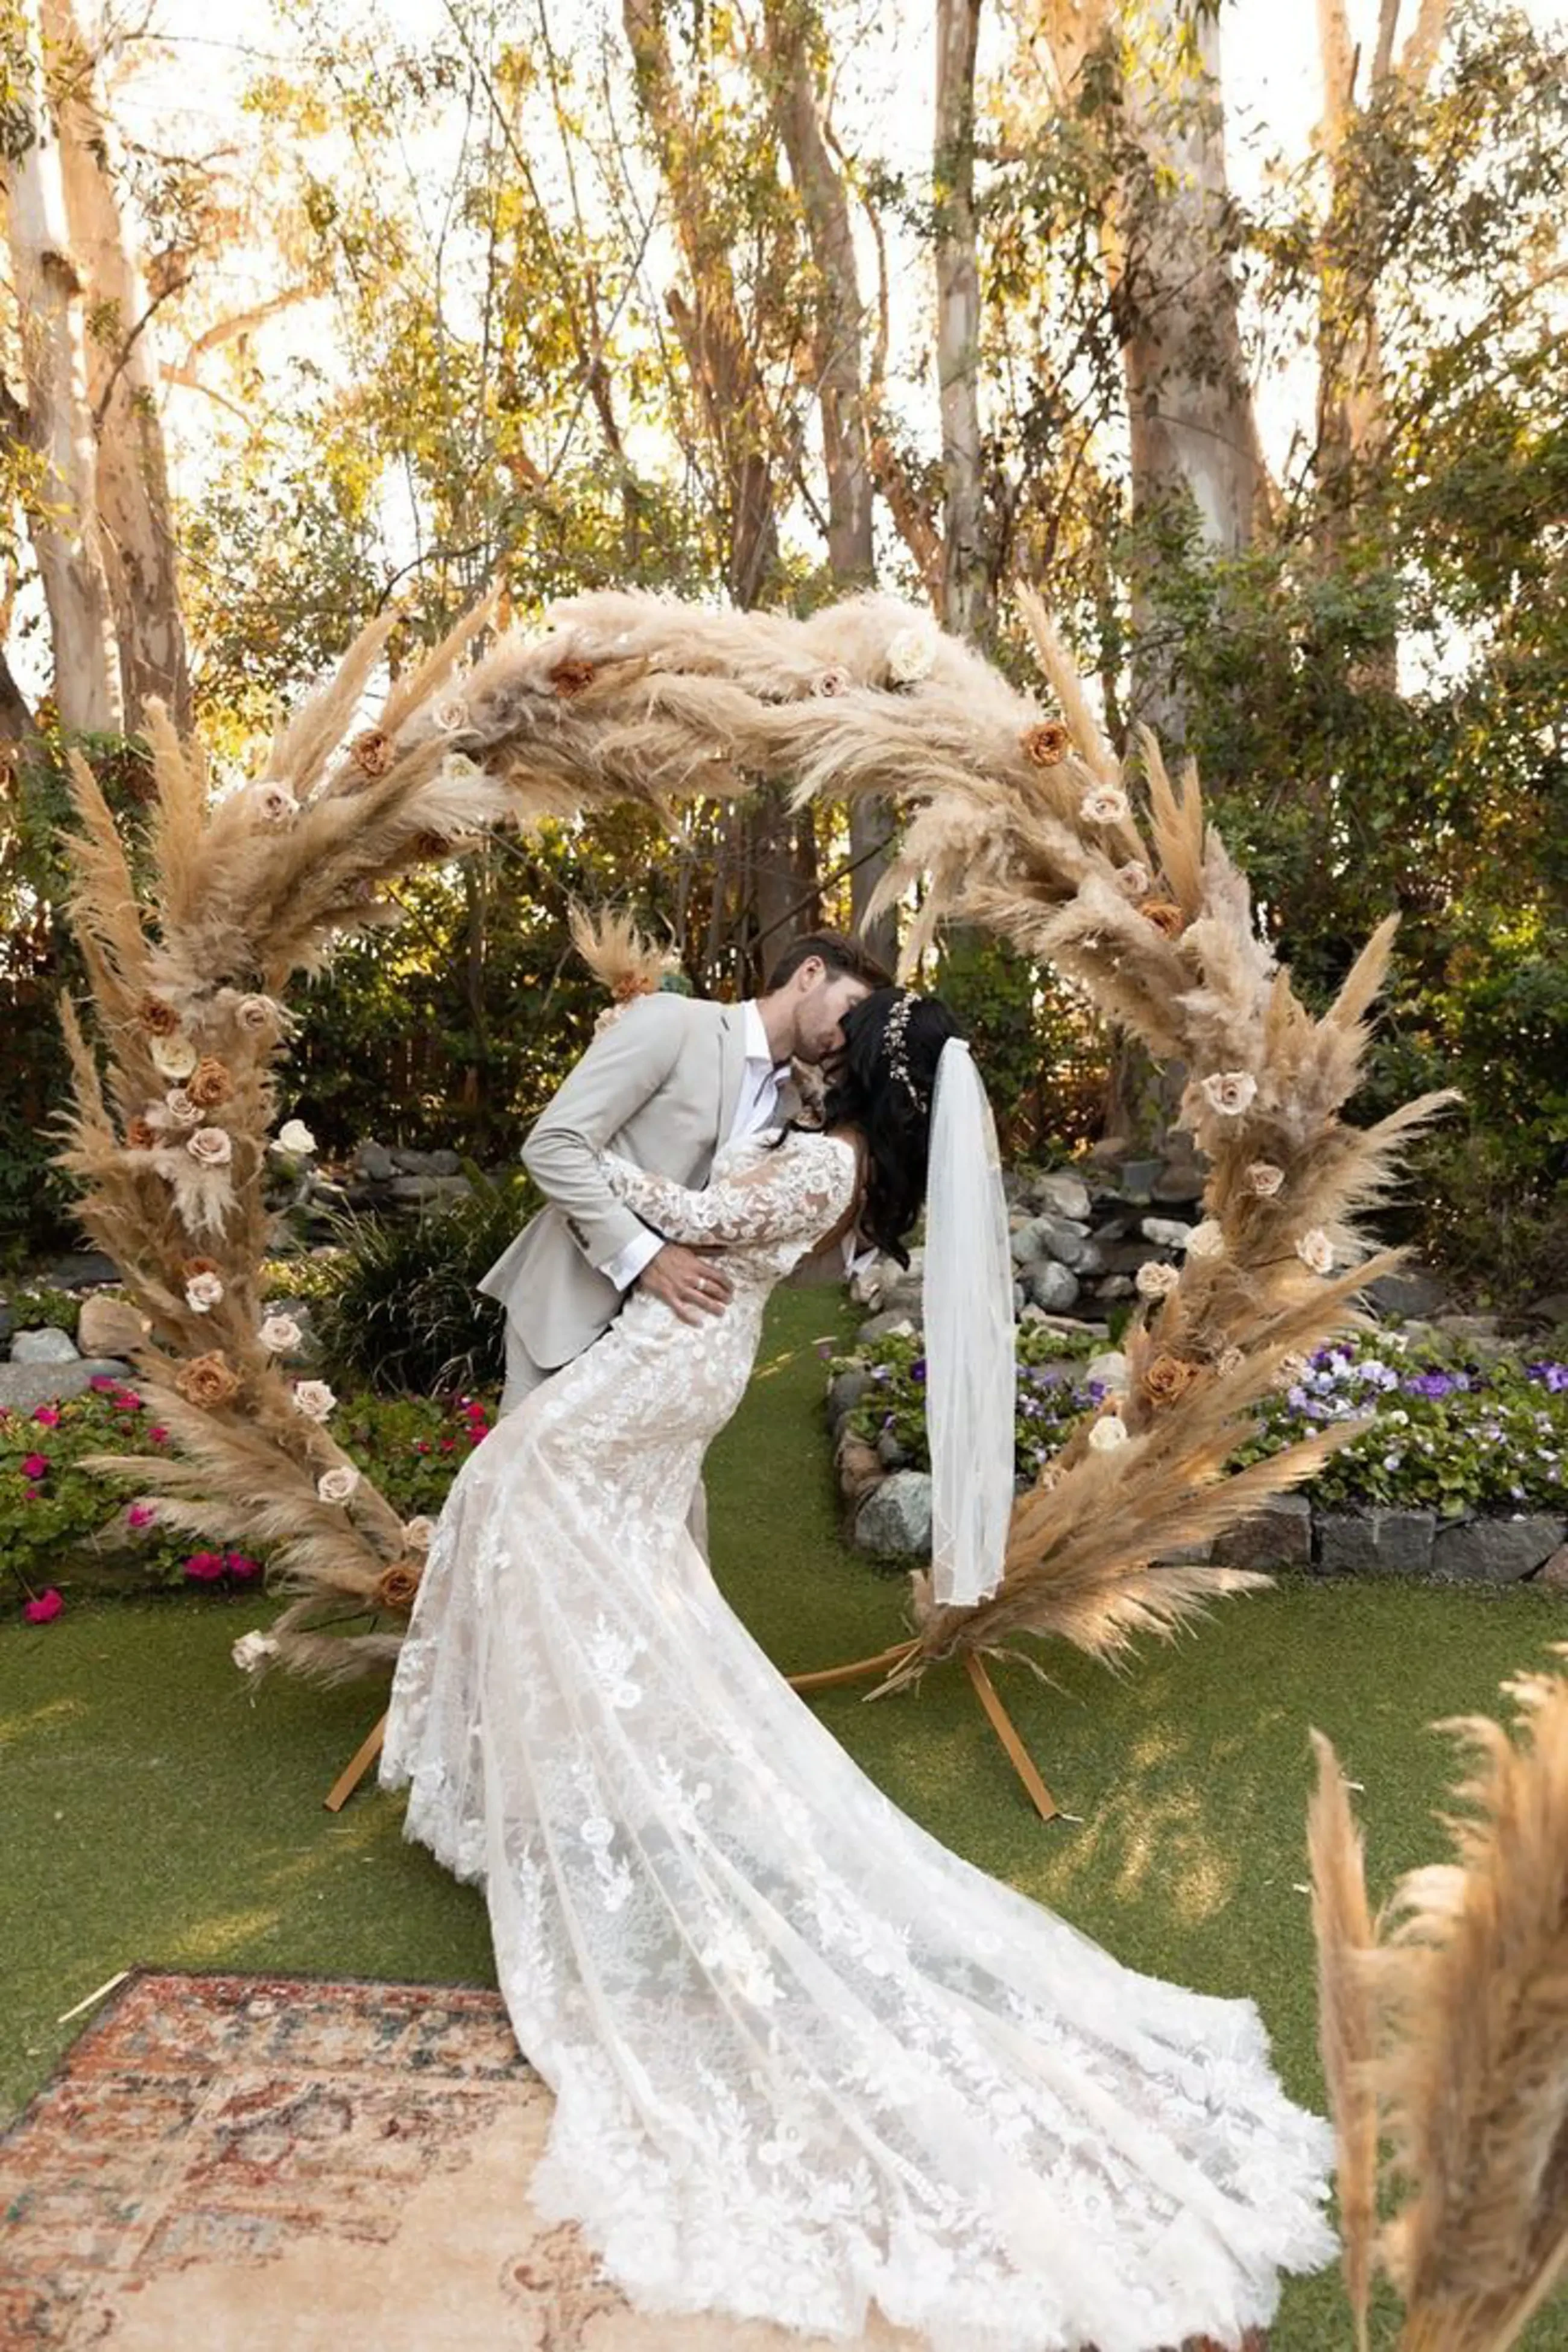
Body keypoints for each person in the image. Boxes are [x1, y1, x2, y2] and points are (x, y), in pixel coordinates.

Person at [381, 988, 1334, 2352]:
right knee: (548, 1524)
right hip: (683, 1359)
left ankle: (589, 1758)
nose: (828, 1039)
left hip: (669, 1351)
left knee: (510, 1488)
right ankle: (555, 1761)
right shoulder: (841, 1164)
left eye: (847, 1035)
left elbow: (704, 1222)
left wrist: (615, 1184)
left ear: (870, 1078)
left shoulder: (828, 1163)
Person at [478, 931, 890, 1415]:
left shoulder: (797, 1104)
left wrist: (864, 1237)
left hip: (666, 1357)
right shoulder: (672, 1022)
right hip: (572, 1312)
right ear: (811, 974)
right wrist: (646, 1258)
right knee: (521, 1487)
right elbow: (555, 1145)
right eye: (850, 1009)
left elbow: (764, 1252)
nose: (849, 1035)